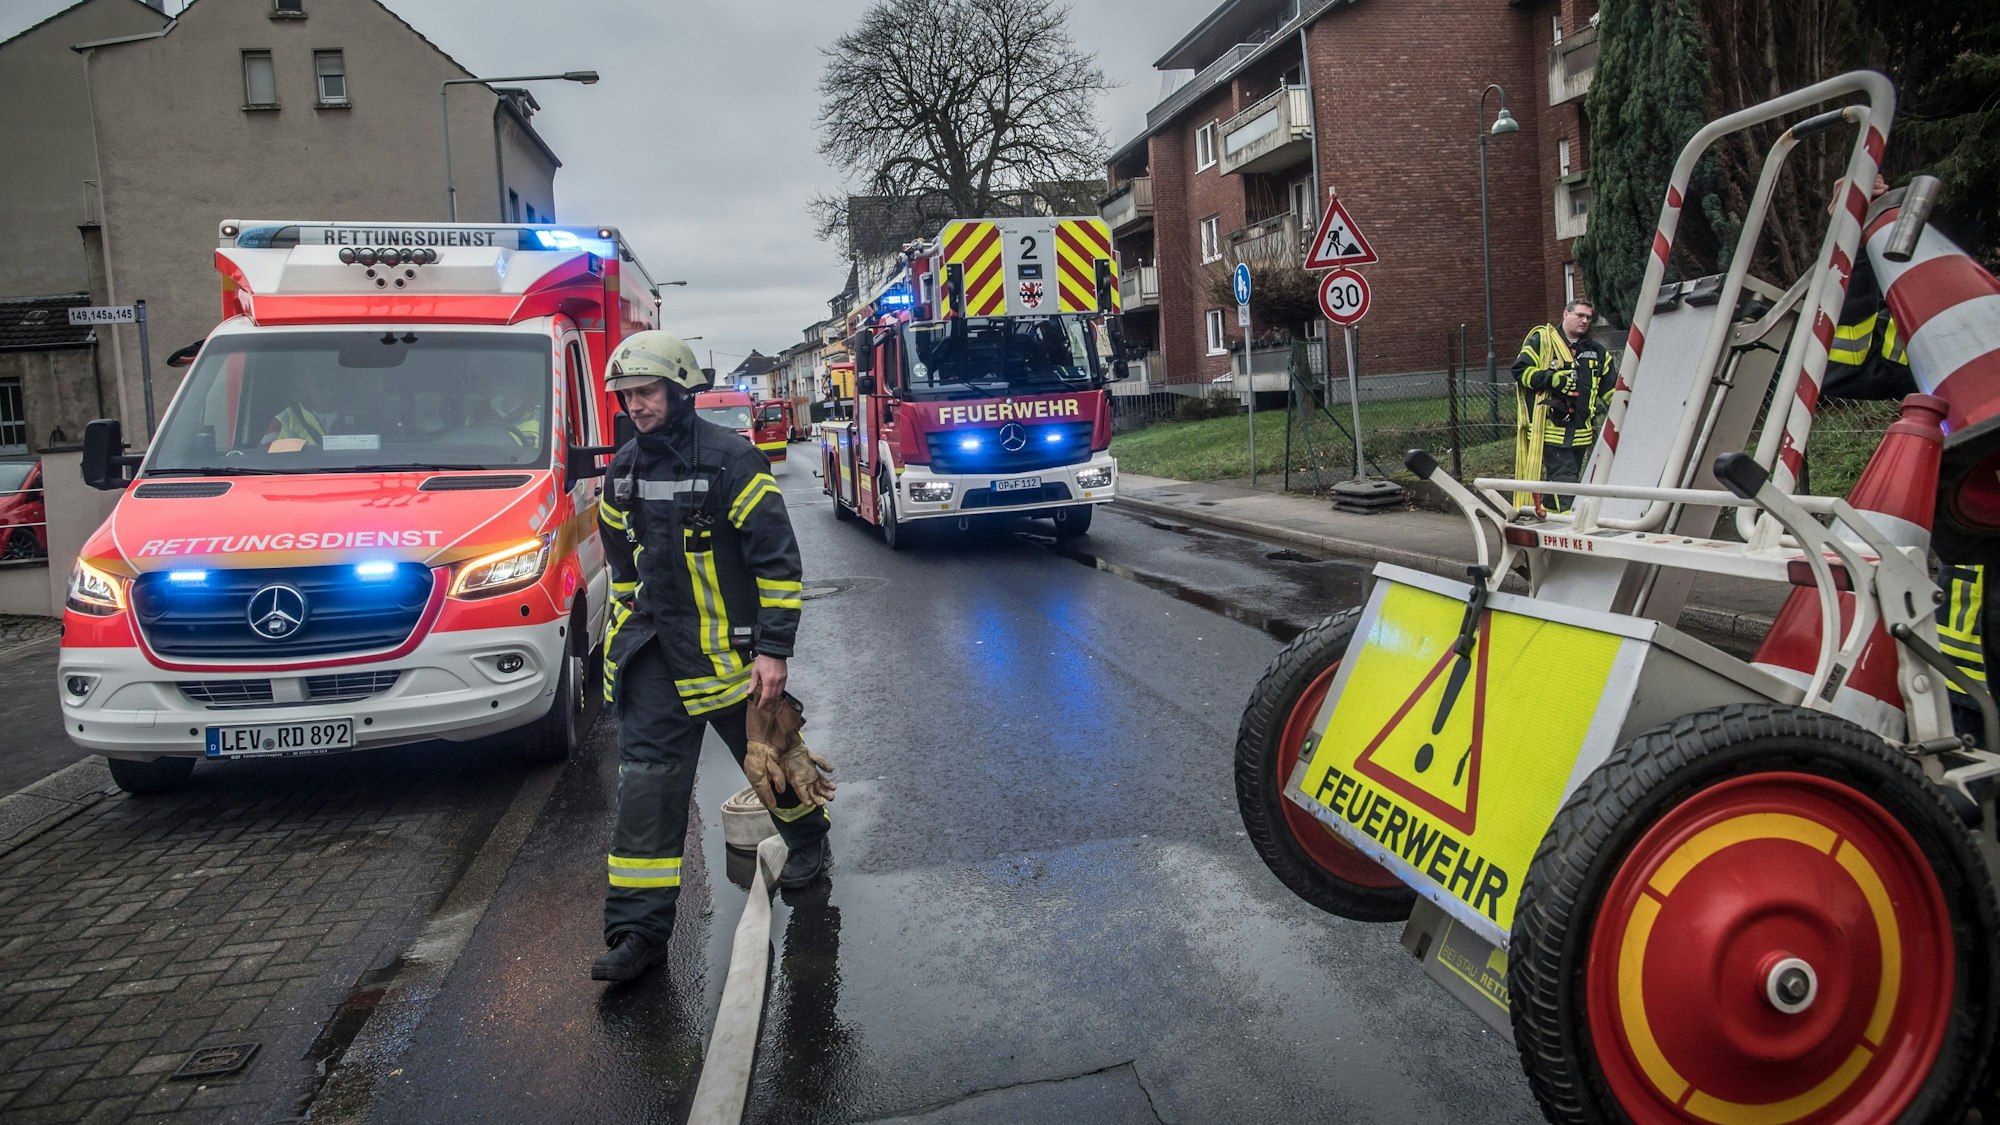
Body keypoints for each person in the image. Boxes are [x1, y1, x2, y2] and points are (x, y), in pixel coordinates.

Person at [591, 330, 831, 984]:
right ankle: (636, 931)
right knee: (646, 789)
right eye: (626, 395)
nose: (635, 405)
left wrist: (773, 649)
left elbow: (778, 562)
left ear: (677, 389)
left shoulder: (732, 462)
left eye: (645, 392)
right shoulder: (623, 470)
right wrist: (623, 627)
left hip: (730, 656)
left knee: (773, 754)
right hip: (655, 657)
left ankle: (808, 840)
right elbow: (618, 558)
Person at [1512, 297, 1614, 511]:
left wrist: (1628, 411)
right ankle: (1568, 528)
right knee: (1565, 482)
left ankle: (1548, 519)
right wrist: (1552, 379)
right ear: (1566, 314)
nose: (1585, 321)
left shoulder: (1597, 351)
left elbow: (1610, 388)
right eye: (1580, 315)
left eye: (1588, 317)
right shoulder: (1542, 341)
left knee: (1563, 482)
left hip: (1581, 433)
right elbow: (1520, 371)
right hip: (1550, 432)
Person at [266, 380, 340, 447]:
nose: (327, 391)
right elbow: (264, 458)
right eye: (320, 386)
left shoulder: (349, 419)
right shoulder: (285, 419)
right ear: (308, 388)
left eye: (331, 385)